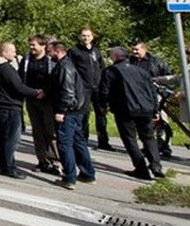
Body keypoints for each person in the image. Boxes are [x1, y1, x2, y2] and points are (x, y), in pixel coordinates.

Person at [99, 47, 164, 180]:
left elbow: (104, 92)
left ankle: (141, 168)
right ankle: (156, 166)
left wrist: (104, 106)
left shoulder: (111, 71)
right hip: (145, 109)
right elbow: (151, 91)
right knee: (149, 138)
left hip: (125, 110)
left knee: (129, 138)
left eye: (111, 55)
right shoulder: (141, 71)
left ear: (116, 57)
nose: (110, 58)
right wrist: (155, 110)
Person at [0, 41, 43, 179]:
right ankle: (8, 167)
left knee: (3, 135)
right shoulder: (4, 67)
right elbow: (18, 86)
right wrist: (36, 93)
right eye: (12, 51)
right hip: (9, 105)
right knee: (11, 137)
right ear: (3, 52)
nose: (15, 53)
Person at [49, 41, 96, 190]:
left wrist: (61, 111)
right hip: (78, 110)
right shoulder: (68, 64)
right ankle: (88, 174)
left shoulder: (64, 67)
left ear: (57, 51)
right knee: (78, 142)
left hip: (68, 112)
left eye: (50, 52)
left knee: (65, 144)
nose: (49, 55)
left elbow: (67, 92)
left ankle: (69, 177)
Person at [19, 34, 61, 175]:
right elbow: (21, 79)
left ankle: (55, 161)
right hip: (32, 99)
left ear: (43, 46)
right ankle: (42, 160)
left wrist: (45, 92)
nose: (31, 47)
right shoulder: (26, 60)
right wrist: (30, 92)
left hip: (48, 100)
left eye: (34, 45)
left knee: (51, 132)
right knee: (37, 132)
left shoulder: (51, 60)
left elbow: (56, 79)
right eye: (30, 45)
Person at [69, 27, 110, 150]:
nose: (86, 38)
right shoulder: (74, 51)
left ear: (92, 37)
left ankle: (103, 141)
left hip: (97, 87)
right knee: (84, 114)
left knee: (101, 114)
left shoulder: (96, 51)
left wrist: (104, 84)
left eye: (88, 35)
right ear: (79, 37)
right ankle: (83, 140)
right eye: (83, 35)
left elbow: (102, 67)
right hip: (83, 88)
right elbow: (71, 69)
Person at [130, 42, 174, 157]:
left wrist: (166, 92)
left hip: (156, 94)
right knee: (144, 121)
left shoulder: (156, 62)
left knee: (162, 119)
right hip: (139, 95)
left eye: (136, 50)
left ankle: (165, 145)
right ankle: (147, 145)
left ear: (144, 49)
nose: (134, 52)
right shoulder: (130, 62)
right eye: (133, 50)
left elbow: (169, 77)